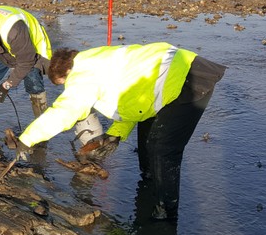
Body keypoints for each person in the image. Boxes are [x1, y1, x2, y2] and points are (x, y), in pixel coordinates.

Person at [12, 43, 226, 220]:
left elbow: (64, 113)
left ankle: (165, 213)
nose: (67, 88)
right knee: (148, 145)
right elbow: (131, 100)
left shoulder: (82, 75)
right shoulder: (93, 59)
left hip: (187, 78)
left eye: (63, 84)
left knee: (162, 148)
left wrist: (27, 139)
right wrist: (115, 133)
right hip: (169, 77)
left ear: (67, 73)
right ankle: (150, 181)